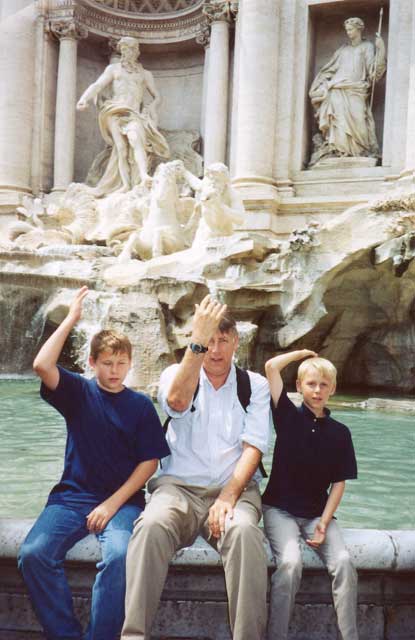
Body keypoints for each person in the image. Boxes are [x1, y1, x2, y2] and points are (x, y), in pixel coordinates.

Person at [18, 286, 170, 640]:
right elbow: (42, 364)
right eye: (106, 363)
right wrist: (71, 319)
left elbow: (149, 464)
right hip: (71, 498)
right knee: (33, 554)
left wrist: (111, 503)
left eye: (121, 364)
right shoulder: (78, 392)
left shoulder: (141, 406)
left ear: (130, 363)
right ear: (92, 363)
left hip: (122, 504)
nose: (114, 371)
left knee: (119, 558)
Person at [121, 295, 271, 640]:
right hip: (177, 488)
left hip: (232, 491)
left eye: (222, 341)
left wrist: (229, 497)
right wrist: (196, 343)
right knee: (150, 527)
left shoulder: (255, 386)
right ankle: (132, 636)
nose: (215, 350)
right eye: (209, 340)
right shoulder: (177, 372)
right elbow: (176, 402)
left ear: (235, 340)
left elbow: (254, 447)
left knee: (246, 534)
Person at [262, 350, 359, 640]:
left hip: (317, 513)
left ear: (333, 389)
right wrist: (302, 354)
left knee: (343, 563)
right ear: (299, 386)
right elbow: (270, 367)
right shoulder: (287, 416)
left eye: (324, 385)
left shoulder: (341, 433)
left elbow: (339, 483)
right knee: (291, 563)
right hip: (279, 509)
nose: (317, 390)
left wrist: (324, 523)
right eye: (311, 383)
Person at [77, 37, 169, 195]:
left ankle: (144, 175)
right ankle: (126, 184)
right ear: (121, 51)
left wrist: (152, 107)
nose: (128, 52)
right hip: (114, 110)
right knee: (121, 149)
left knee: (135, 139)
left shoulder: (145, 74)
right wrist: (83, 98)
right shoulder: (113, 69)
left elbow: (157, 96)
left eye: (132, 49)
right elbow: (98, 85)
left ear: (137, 51)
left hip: (133, 113)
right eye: (125, 49)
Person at [309, 17, 386, 164]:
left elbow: (374, 72)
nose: (348, 33)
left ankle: (361, 151)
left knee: (360, 121)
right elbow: (329, 70)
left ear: (359, 29)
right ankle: (338, 151)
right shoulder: (342, 50)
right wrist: (322, 84)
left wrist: (381, 49)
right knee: (338, 122)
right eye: (347, 30)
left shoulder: (367, 47)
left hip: (356, 89)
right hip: (337, 89)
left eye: (351, 29)